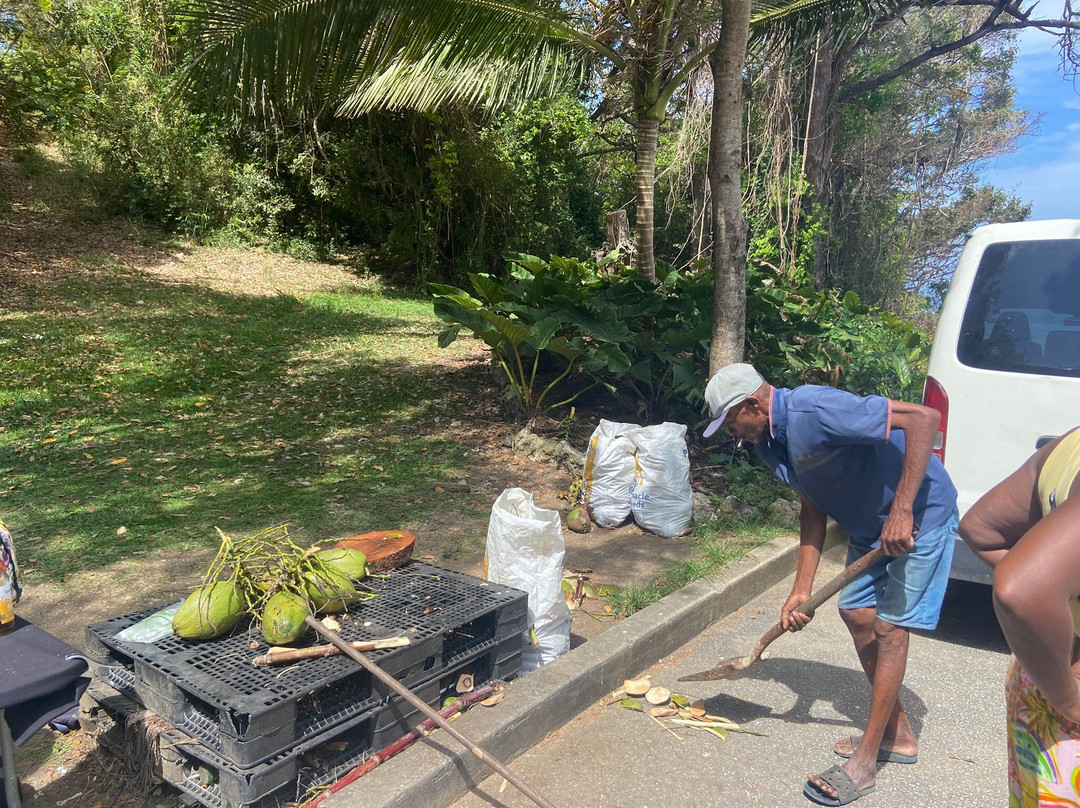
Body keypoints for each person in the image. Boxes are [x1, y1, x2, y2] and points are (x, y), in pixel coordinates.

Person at [702, 363, 958, 806]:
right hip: (871, 528)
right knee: (856, 613)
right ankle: (897, 734)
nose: (730, 432)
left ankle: (866, 761)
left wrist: (902, 510)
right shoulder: (768, 446)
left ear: (752, 405)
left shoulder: (816, 409)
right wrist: (801, 589)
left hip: (920, 517)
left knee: (889, 630)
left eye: (729, 420)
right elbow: (812, 509)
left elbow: (924, 419)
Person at [958, 427, 1080, 807]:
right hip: (1066, 694)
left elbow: (981, 531)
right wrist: (1070, 701)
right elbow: (1023, 590)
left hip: (1043, 672)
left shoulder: (1071, 443)